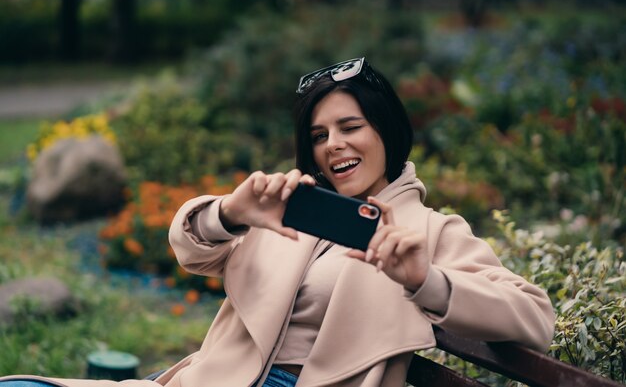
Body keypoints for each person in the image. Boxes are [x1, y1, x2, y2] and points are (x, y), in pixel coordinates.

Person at [0, 57, 555, 387]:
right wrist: (231, 214)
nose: (333, 145)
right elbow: (191, 251)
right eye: (319, 135)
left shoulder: (431, 231)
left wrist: (423, 280)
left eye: (350, 126)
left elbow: (535, 318)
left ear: (385, 129)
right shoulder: (293, 205)